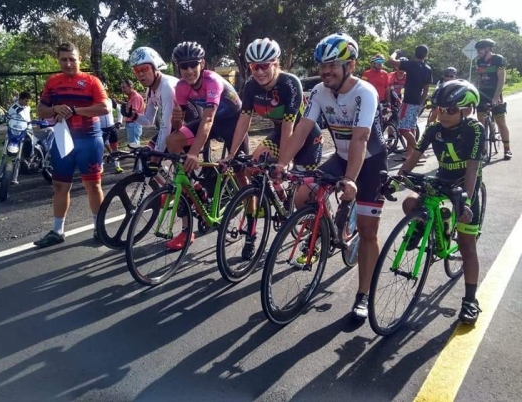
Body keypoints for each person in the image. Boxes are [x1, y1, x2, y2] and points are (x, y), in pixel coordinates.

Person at [276, 33, 388, 320]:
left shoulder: (365, 92)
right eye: (322, 66)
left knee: (367, 231)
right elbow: (302, 129)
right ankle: (323, 233)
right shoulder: (319, 92)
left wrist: (350, 180)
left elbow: (361, 139)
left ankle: (363, 295)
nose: (325, 71)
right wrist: (283, 164)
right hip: (340, 156)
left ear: (349, 65)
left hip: (370, 162)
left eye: (332, 65)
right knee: (304, 194)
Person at [385, 79, 484, 324]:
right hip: (441, 179)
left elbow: (472, 170)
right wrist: (397, 180)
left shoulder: (475, 129)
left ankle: (471, 300)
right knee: (410, 204)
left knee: (466, 244)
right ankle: (431, 223)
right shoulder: (433, 129)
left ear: (466, 110)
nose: (443, 114)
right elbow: (412, 159)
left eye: (450, 110)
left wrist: (467, 203)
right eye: (440, 109)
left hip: (464, 185)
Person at [227, 38, 324, 258]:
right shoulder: (251, 85)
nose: (259, 72)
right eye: (254, 66)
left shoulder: (290, 83)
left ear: (276, 63)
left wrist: (283, 162)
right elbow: (244, 120)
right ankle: (256, 224)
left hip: (307, 139)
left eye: (265, 65)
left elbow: (290, 124)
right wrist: (231, 155)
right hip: (280, 133)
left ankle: (315, 236)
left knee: (305, 197)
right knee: (252, 167)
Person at [165, 41, 247, 250]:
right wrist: (176, 122)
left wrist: (194, 153)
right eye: (184, 66)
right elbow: (179, 125)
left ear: (202, 63)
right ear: (178, 68)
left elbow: (208, 120)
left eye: (194, 64)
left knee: (241, 172)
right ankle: (197, 188)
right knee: (172, 141)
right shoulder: (181, 87)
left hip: (233, 123)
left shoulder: (213, 81)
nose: (189, 70)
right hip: (211, 122)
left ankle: (252, 218)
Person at [34, 42, 109, 248]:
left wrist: (75, 110)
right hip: (62, 138)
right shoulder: (52, 82)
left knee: (93, 185)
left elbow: (104, 108)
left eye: (72, 59)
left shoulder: (92, 81)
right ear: (58, 60)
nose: (68, 63)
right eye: (63, 59)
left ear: (79, 59)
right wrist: (55, 108)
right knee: (59, 185)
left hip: (89, 138)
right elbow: (41, 110)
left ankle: (99, 228)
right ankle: (57, 231)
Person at [123, 46, 187, 153]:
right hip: (177, 127)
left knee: (157, 158)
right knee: (149, 153)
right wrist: (132, 115)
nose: (141, 74)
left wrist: (156, 156)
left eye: (145, 68)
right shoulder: (150, 90)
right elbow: (148, 121)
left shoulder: (166, 86)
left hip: (189, 125)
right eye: (136, 70)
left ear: (155, 67)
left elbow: (166, 126)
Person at [387, 46, 432, 161]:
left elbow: (390, 60)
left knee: (403, 129)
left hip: (408, 101)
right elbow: (426, 90)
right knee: (411, 128)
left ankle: (419, 152)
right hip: (417, 102)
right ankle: (409, 155)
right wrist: (421, 103)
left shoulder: (411, 64)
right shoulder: (428, 68)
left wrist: (395, 52)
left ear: (414, 54)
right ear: (426, 55)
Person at [475, 38, 512, 160]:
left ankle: (507, 149)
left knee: (501, 121)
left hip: (495, 93)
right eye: (477, 49)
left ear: (488, 48)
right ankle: (483, 147)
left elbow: (501, 79)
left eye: (480, 49)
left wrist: (496, 97)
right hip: (482, 94)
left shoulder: (498, 59)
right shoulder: (479, 61)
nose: (478, 51)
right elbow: (480, 78)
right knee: (480, 121)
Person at [99, 83, 124, 173]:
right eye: (101, 91)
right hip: (100, 129)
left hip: (111, 127)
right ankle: (100, 167)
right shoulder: (95, 101)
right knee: (99, 149)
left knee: (115, 148)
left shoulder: (110, 100)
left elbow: (119, 110)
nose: (103, 92)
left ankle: (117, 166)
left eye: (104, 91)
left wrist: (119, 121)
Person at [120, 79, 145, 145]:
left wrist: (123, 108)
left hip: (134, 124)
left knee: (134, 146)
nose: (122, 90)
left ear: (130, 86)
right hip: (132, 124)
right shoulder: (131, 97)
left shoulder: (135, 97)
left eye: (124, 87)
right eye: (122, 87)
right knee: (133, 145)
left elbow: (132, 113)